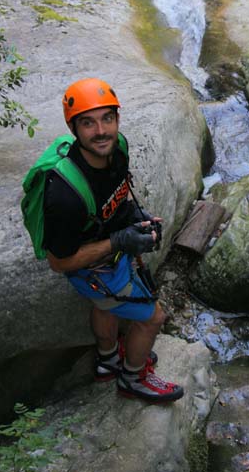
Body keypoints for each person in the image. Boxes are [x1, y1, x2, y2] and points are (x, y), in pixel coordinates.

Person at [43, 77, 183, 403]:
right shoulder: (64, 195)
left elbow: (116, 195)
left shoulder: (117, 148)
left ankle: (108, 361)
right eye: (88, 123)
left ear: (118, 119)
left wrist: (136, 215)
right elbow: (58, 262)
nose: (101, 131)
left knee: (103, 306)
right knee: (153, 318)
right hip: (93, 269)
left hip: (108, 256)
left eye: (108, 118)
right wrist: (119, 241)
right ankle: (133, 378)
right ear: (74, 128)